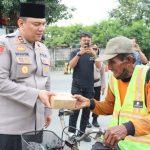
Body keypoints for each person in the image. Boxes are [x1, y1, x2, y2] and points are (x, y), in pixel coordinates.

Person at [75, 36, 150, 150]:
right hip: (117, 144)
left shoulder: (147, 78)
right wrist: (89, 103)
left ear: (129, 60)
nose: (108, 67)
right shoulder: (114, 79)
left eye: (112, 62)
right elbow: (109, 106)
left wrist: (127, 128)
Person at [0, 3, 54, 150]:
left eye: (43, 24)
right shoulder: (5, 44)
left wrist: (47, 111)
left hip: (37, 126)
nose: (41, 28)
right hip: (11, 129)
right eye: (36, 24)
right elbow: (1, 82)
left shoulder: (43, 48)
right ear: (21, 23)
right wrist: (36, 94)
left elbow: (46, 82)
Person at [68, 32, 97, 142]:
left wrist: (94, 54)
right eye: (84, 40)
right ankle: (71, 133)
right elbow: (71, 66)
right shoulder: (75, 52)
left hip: (89, 87)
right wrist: (80, 54)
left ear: (91, 40)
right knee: (74, 111)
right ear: (81, 41)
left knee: (86, 112)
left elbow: (99, 66)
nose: (86, 41)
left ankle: (82, 133)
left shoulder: (93, 53)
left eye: (88, 40)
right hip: (77, 87)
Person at [88, 44, 106, 128]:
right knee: (87, 102)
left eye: (96, 49)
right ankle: (86, 120)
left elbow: (102, 74)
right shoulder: (87, 58)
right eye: (93, 48)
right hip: (88, 85)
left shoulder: (100, 60)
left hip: (97, 84)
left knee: (96, 103)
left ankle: (95, 120)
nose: (94, 50)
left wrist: (103, 85)